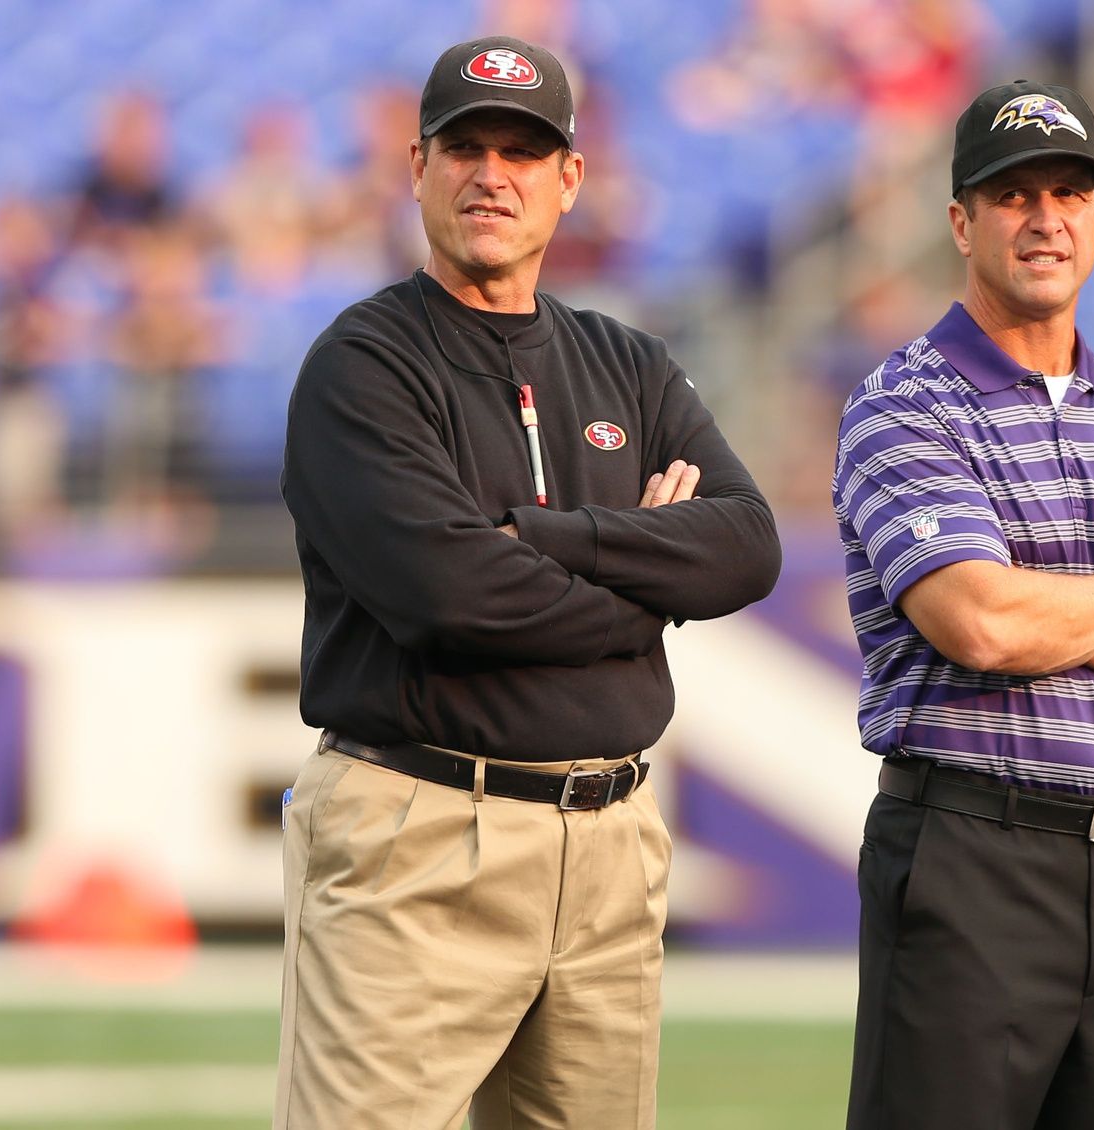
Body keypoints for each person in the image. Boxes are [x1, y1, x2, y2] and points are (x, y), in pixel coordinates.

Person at [274, 36, 781, 1130]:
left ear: (571, 179)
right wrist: (647, 577)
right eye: (465, 146)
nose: (490, 174)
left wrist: (549, 536)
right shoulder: (363, 364)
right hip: (421, 831)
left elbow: (745, 545)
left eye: (522, 149)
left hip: (610, 840)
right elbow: (451, 599)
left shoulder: (630, 361)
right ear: (416, 164)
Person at [831, 79, 1094, 1130]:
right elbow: (981, 625)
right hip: (974, 857)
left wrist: (1056, 612)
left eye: (1070, 191)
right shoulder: (904, 403)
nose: (1046, 217)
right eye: (1013, 193)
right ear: (961, 221)